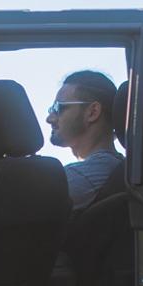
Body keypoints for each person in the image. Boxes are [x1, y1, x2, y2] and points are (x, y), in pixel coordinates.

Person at [45, 70, 125, 209]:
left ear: (93, 112)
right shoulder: (112, 168)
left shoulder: (89, 175)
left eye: (58, 108)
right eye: (51, 109)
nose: (49, 119)